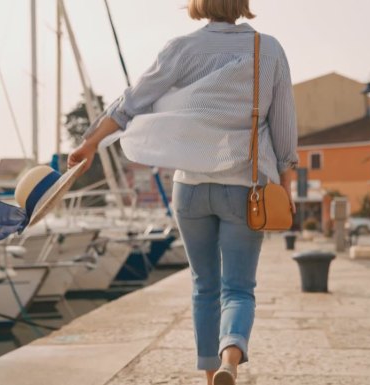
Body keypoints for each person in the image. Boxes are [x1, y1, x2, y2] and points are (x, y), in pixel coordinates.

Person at [69, 1, 297, 383]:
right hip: (245, 188)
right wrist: (285, 185)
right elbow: (284, 126)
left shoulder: (180, 48)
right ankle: (230, 360)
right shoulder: (268, 49)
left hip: (189, 190)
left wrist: (91, 141)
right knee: (238, 288)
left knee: (203, 287)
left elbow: (132, 101)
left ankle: (211, 378)